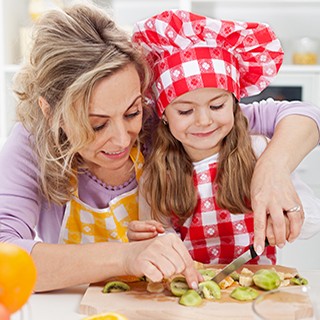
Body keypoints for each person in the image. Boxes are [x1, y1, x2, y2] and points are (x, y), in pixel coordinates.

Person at [0, 4, 319, 292]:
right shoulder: (31, 145)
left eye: (132, 112)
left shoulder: (170, 121)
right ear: (50, 111)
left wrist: (272, 169)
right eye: (96, 124)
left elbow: (300, 115)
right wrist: (126, 256)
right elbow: (4, 260)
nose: (123, 139)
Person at [127, 10, 320, 264]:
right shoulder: (156, 172)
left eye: (217, 106)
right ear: (163, 114)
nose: (204, 121)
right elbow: (161, 237)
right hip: (190, 293)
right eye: (185, 111)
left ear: (235, 104)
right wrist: (153, 239)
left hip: (258, 289)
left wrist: (289, 216)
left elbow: (312, 220)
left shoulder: (259, 148)